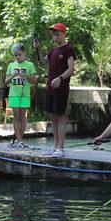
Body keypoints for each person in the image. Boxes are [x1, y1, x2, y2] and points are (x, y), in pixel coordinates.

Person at [34, 23, 76, 158]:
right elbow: (41, 62)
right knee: (52, 117)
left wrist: (60, 78)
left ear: (64, 34)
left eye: (57, 34)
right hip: (50, 89)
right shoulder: (53, 51)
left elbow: (71, 69)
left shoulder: (68, 49)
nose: (55, 36)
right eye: (53, 34)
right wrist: (38, 48)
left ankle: (61, 148)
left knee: (60, 117)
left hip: (61, 89)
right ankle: (55, 147)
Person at [5, 43, 37, 149]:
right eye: (15, 55)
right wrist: (12, 76)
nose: (17, 57)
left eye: (19, 54)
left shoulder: (30, 65)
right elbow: (6, 82)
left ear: (24, 53)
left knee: (23, 117)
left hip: (25, 94)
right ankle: (19, 140)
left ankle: (20, 140)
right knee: (16, 117)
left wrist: (26, 75)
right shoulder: (11, 65)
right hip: (14, 94)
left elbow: (33, 81)